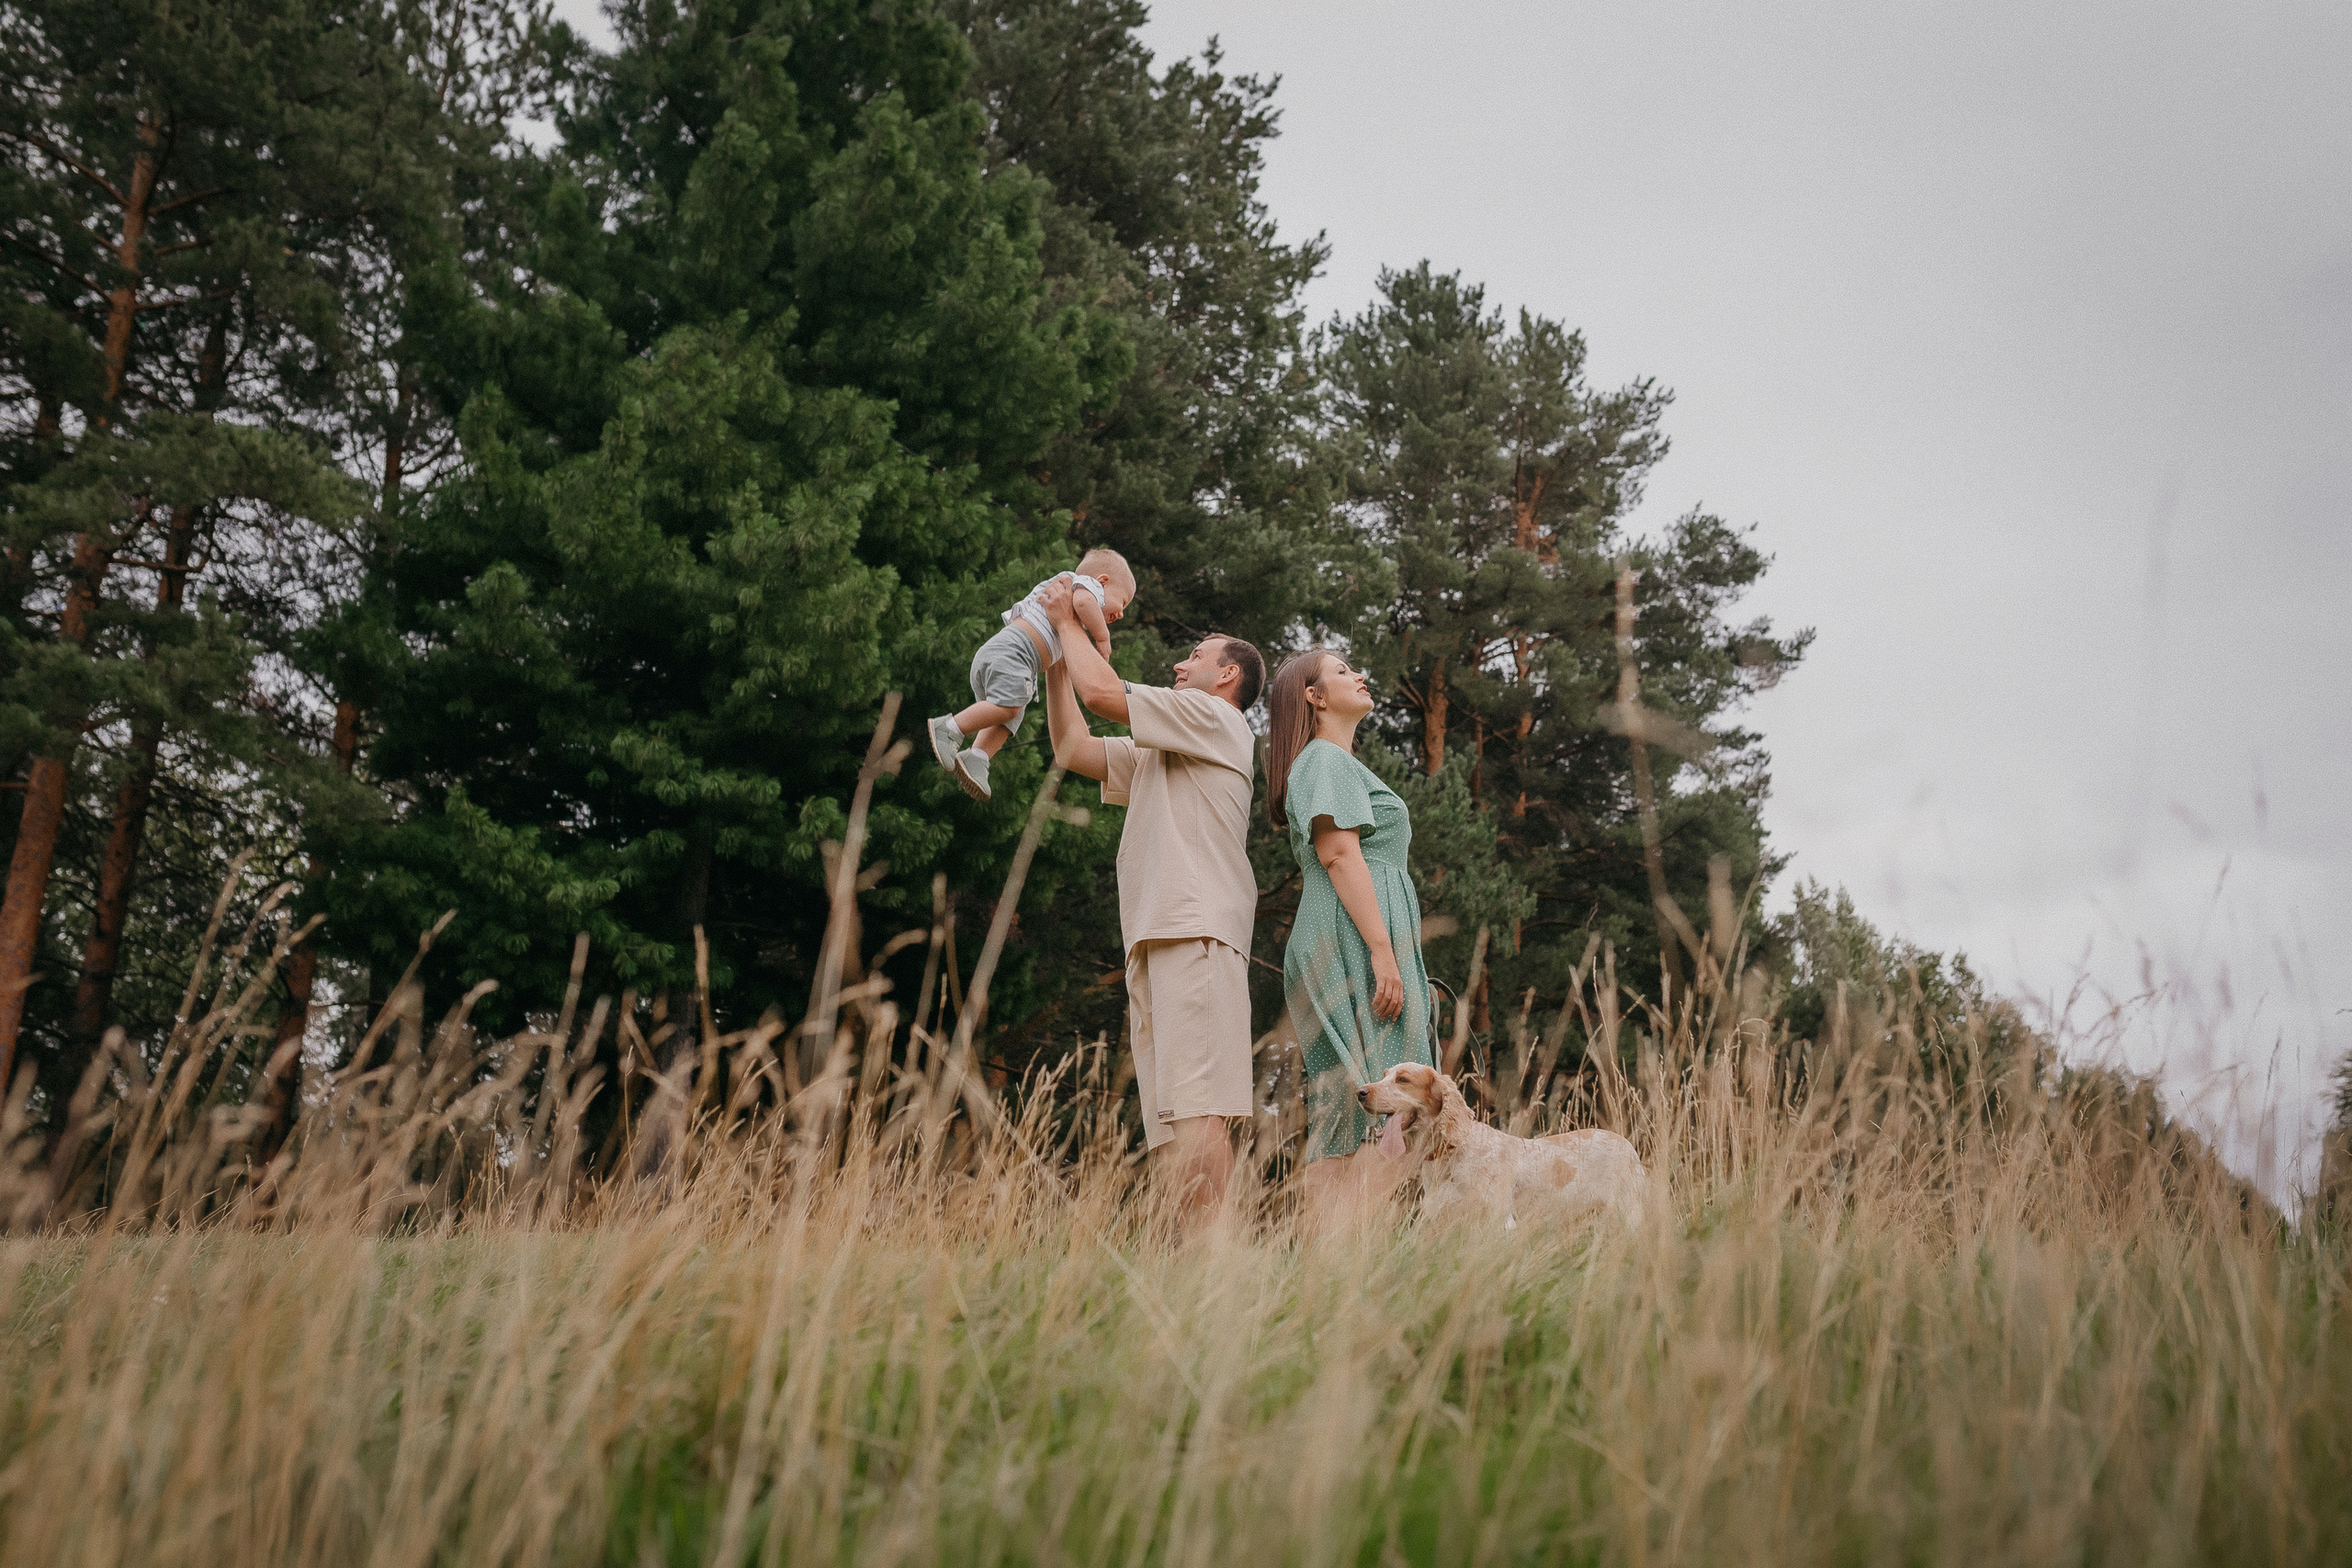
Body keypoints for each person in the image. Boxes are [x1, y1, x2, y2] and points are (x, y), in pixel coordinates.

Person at [1036, 574, 1265, 1235]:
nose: (1179, 662)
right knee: (1170, 1121)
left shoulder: (1214, 718)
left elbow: (1105, 693)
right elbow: (1073, 749)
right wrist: (1058, 658)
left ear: (1227, 677)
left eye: (1196, 655)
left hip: (1193, 927)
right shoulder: (1173, 741)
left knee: (1196, 1108)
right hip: (1158, 932)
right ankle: (1192, 1265)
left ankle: (1212, 1266)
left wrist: (1068, 621)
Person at [1263, 649, 1435, 1227]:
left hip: (1348, 935)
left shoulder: (1329, 764)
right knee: (1389, 1106)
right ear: (1313, 697)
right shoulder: (1325, 761)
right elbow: (1338, 853)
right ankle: (1349, 1264)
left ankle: (1332, 1272)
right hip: (1354, 938)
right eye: (1341, 671)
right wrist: (1384, 952)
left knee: (1350, 1108)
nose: (1359, 675)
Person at [929, 548, 1137, 801]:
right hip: (1012, 652)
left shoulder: (1070, 614)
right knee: (1010, 707)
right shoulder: (1081, 586)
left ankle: (978, 756)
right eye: (1123, 601)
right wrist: (1102, 638)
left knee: (1011, 716)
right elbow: (1084, 603)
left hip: (1012, 660)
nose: (1122, 613)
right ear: (1102, 581)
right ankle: (949, 728)